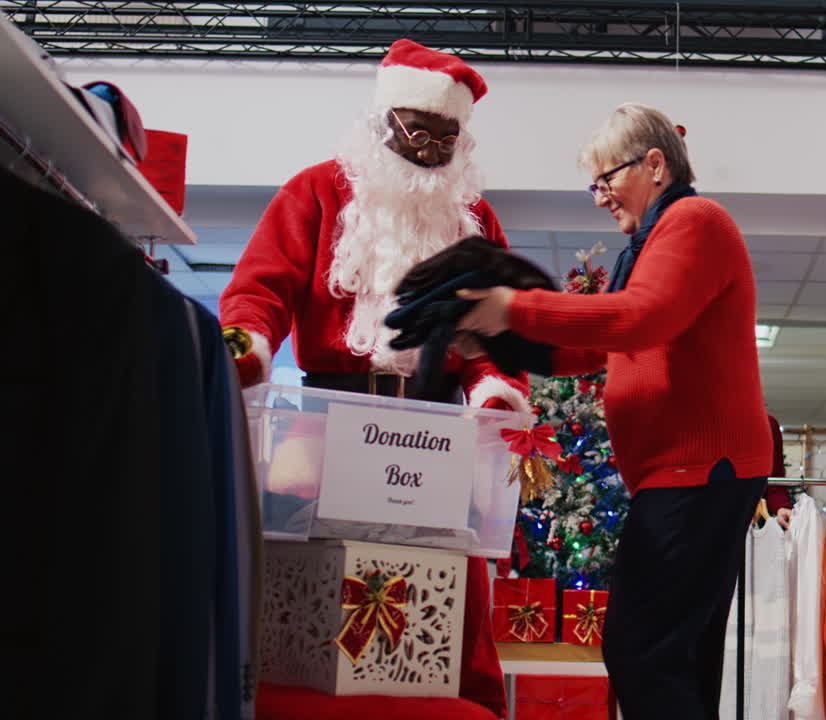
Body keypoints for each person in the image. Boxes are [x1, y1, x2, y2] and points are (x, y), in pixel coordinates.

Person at [218, 39, 523, 717]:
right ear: (384, 121)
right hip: (327, 423)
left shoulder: (472, 219)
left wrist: (494, 385)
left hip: (436, 429)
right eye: (419, 130)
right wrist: (248, 342)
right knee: (305, 576)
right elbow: (261, 288)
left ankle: (455, 702)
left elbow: (499, 329)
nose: (432, 150)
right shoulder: (316, 191)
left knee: (453, 581)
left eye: (448, 137)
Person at [456, 103, 772, 718]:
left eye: (608, 178)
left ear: (655, 164)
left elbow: (641, 317)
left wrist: (515, 308)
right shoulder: (651, 243)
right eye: (593, 183)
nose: (599, 197)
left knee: (640, 650)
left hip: (701, 472)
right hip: (689, 475)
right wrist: (498, 337)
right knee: (675, 656)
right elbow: (594, 346)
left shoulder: (694, 220)